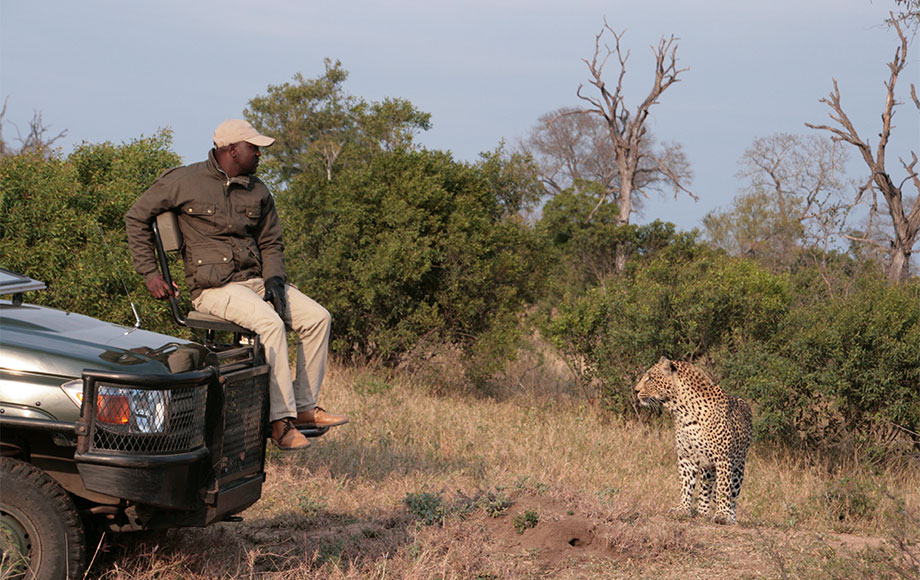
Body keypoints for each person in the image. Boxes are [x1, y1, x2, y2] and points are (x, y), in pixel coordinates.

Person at [125, 119, 348, 450]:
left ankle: (304, 408)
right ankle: (280, 422)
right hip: (213, 289)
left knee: (318, 318)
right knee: (271, 324)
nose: (260, 153)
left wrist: (274, 280)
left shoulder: (258, 190)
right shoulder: (183, 180)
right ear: (231, 150)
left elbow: (271, 243)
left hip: (255, 282)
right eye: (254, 147)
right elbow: (136, 217)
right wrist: (150, 274)